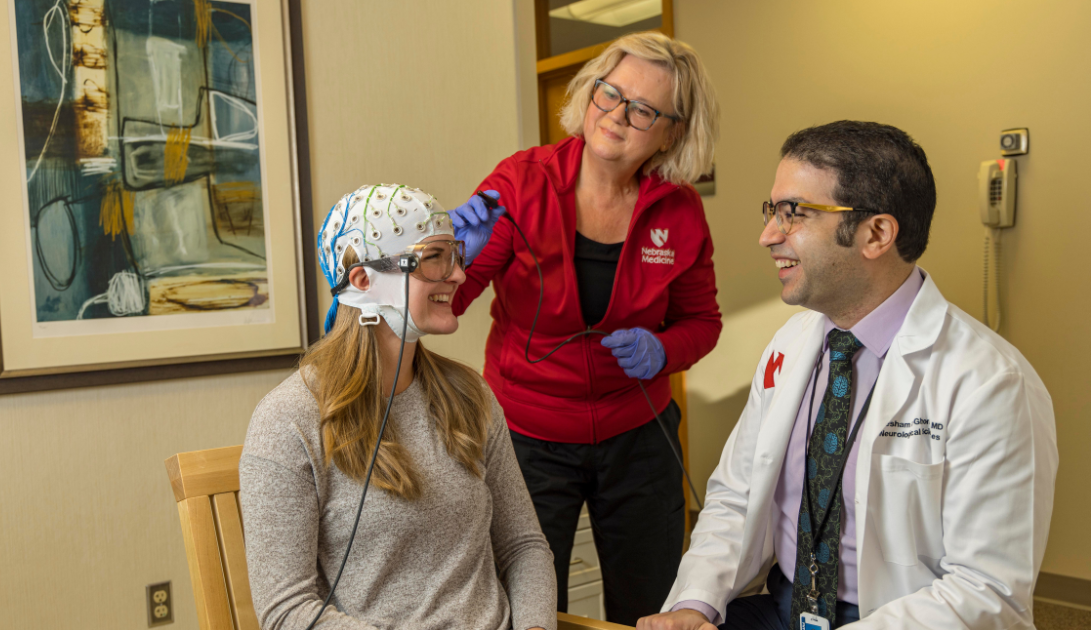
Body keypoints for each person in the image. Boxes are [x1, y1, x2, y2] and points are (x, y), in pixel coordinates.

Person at [638, 121, 1058, 630]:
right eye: (772, 211)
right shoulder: (791, 346)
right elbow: (736, 496)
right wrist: (695, 604)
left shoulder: (991, 382)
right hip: (785, 607)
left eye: (793, 214)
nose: (768, 235)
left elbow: (987, 592)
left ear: (876, 234)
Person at [445, 32, 723, 626]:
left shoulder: (678, 211)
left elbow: (702, 323)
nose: (617, 116)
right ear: (589, 91)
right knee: (529, 608)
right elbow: (452, 299)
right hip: (527, 436)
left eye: (643, 109)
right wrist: (447, 259)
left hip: (639, 437)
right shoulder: (520, 184)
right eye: (610, 93)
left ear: (673, 131)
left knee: (650, 606)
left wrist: (664, 350)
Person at [239, 185, 557, 630]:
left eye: (455, 255)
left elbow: (524, 546)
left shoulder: (469, 395)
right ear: (363, 281)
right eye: (434, 258)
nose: (459, 276)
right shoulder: (289, 419)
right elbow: (287, 612)